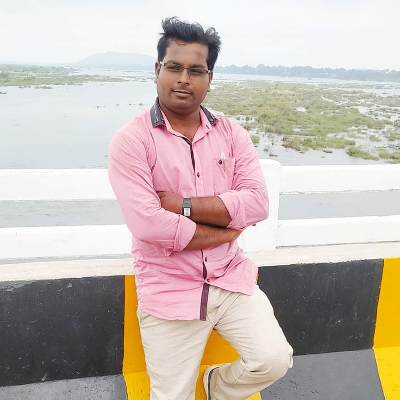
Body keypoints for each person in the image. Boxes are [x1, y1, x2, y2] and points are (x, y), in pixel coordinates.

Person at [108, 16, 293, 400]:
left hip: (230, 279)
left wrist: (184, 205)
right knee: (172, 395)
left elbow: (257, 202)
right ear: (157, 70)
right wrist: (225, 231)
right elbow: (149, 224)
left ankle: (216, 387)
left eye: (196, 70)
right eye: (174, 67)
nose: (183, 79)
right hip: (169, 289)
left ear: (210, 78)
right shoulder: (132, 140)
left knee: (274, 359)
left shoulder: (231, 134)